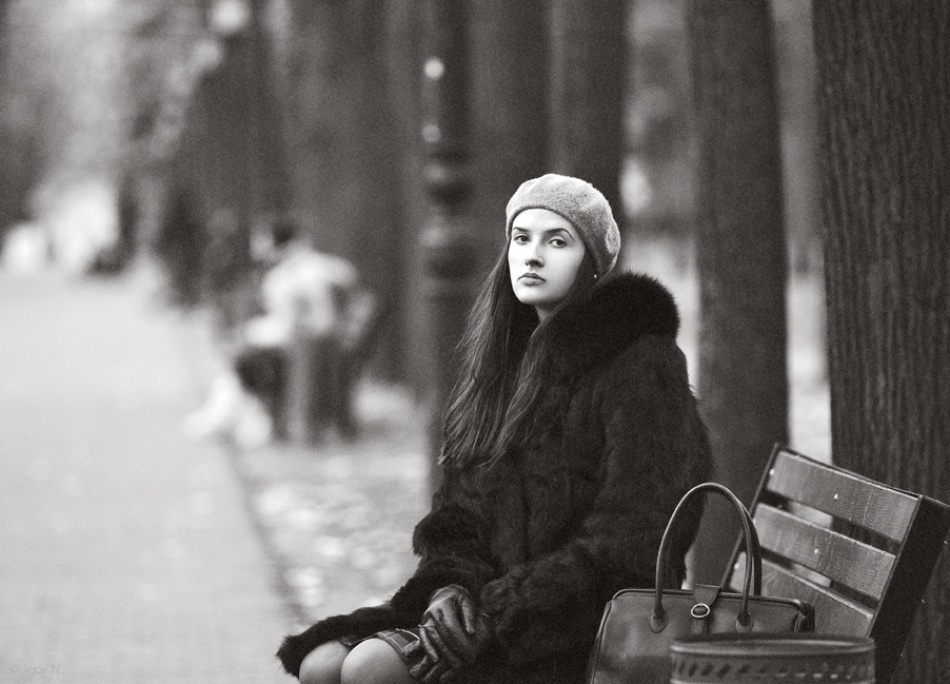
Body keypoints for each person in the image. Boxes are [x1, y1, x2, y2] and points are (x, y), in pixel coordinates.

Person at [276, 174, 713, 684]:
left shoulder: (640, 363)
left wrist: (494, 613)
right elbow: (458, 516)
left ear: (592, 262)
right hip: (493, 607)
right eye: (521, 238)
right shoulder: (503, 364)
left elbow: (631, 541)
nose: (533, 256)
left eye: (557, 241)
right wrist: (447, 589)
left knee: (369, 669)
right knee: (321, 664)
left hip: (585, 623)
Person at [184, 216, 374, 447]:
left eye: (263, 240)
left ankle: (228, 417)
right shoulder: (319, 268)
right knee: (243, 357)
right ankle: (230, 417)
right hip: (315, 347)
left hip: (307, 350)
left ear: (278, 243)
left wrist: (253, 332)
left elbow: (312, 322)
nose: (259, 248)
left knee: (243, 359)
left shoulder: (296, 275)